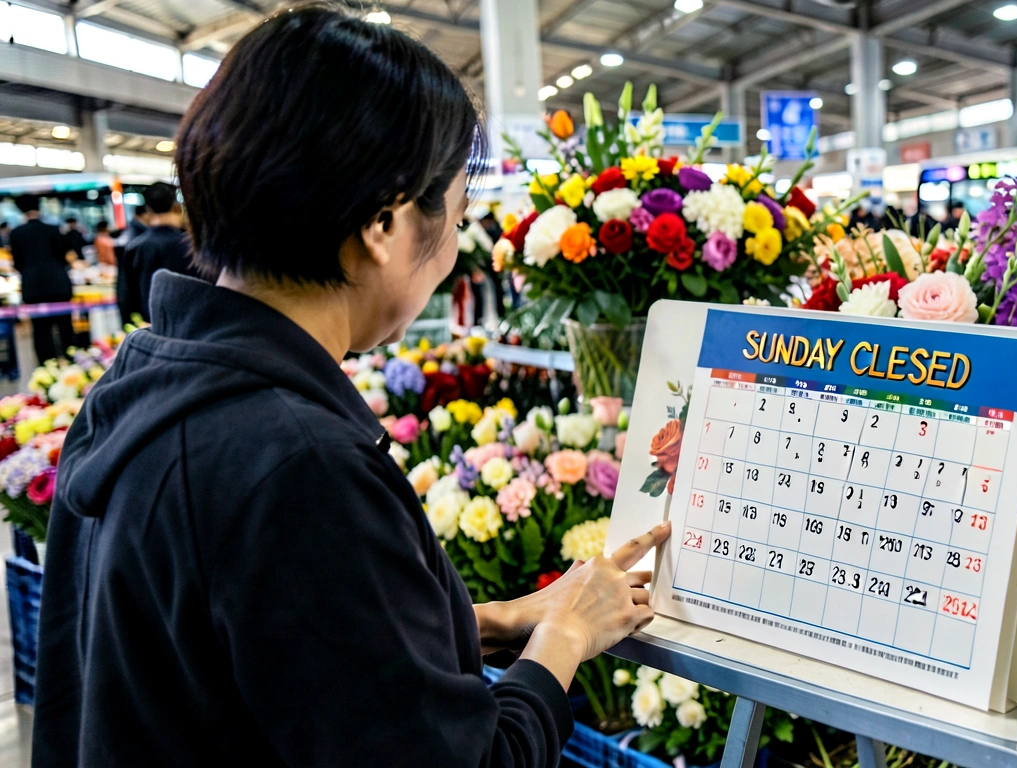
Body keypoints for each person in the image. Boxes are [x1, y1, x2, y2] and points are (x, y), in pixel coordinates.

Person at [34, 8, 668, 767]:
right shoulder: (296, 463)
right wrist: (563, 643)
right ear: (385, 222)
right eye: (457, 211)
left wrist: (491, 621)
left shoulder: (143, 385)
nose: (452, 250)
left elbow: (264, 652)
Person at [118, 181, 198, 325]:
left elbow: (125, 297)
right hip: (190, 326)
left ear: (148, 210)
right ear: (177, 207)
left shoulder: (134, 248)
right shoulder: (193, 246)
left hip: (150, 327)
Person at [7, 194, 74, 363]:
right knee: (65, 326)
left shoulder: (16, 234)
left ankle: (47, 368)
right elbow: (63, 256)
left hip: (33, 287)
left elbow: (18, 262)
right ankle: (73, 364)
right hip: (59, 284)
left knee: (40, 330)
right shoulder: (53, 229)